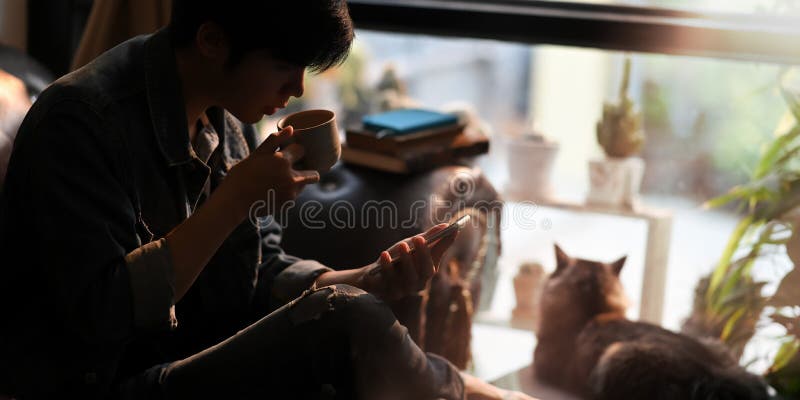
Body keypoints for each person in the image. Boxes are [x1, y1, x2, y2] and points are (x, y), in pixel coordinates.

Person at [0, 1, 537, 399]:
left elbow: (258, 273)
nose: (298, 90)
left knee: (351, 315)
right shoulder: (79, 124)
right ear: (212, 40)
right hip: (99, 383)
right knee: (342, 322)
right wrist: (234, 198)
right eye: (286, 67)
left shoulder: (224, 114)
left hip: (188, 357)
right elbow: (104, 317)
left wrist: (368, 276)